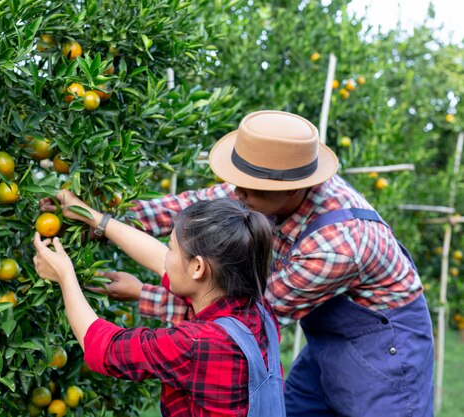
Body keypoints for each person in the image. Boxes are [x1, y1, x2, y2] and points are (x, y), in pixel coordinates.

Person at [93, 110, 435, 417]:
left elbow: (246, 316)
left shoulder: (337, 245)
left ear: (291, 189)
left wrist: (142, 293)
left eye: (247, 190)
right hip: (327, 340)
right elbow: (191, 207)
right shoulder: (259, 185)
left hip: (383, 349)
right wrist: (104, 219)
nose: (235, 194)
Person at [33, 196, 286, 416]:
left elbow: (104, 348)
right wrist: (91, 216)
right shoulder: (257, 310)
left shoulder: (196, 344)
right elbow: (156, 257)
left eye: (171, 248)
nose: (165, 256)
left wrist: (65, 275)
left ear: (198, 267)